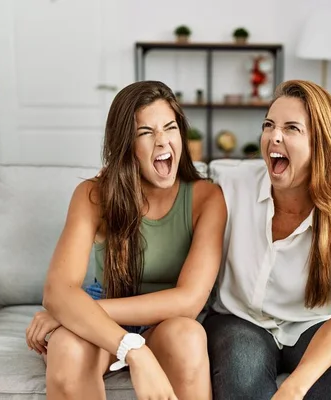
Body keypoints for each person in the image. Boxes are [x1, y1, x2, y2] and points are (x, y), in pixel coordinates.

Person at [24, 81, 226, 400]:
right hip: (106, 301)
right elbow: (58, 289)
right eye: (145, 132)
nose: (162, 140)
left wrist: (77, 310)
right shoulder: (93, 194)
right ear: (126, 144)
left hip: (167, 319)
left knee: (187, 338)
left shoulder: (206, 197)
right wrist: (133, 350)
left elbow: (188, 301)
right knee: (66, 348)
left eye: (170, 127)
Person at [203, 80, 331, 400]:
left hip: (316, 324)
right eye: (268, 125)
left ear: (320, 143)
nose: (273, 136)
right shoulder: (230, 186)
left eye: (291, 128)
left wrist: (295, 388)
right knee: (241, 376)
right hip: (240, 319)